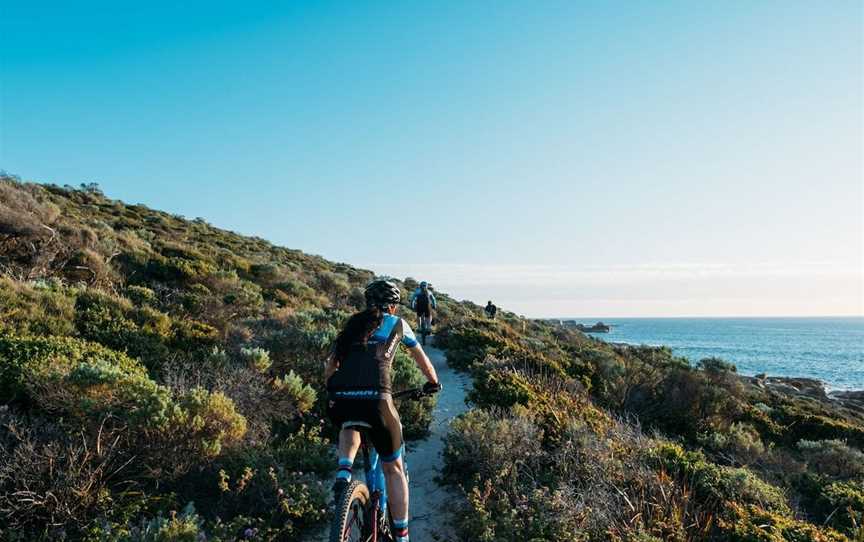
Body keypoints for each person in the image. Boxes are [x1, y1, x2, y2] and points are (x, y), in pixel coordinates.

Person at [324, 279, 441, 542]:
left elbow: (330, 366)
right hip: (378, 401)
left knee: (349, 422)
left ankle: (344, 472)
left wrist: (334, 388)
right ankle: (401, 535)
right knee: (394, 469)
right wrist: (433, 383)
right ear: (393, 306)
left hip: (339, 398)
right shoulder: (398, 324)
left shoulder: (352, 324)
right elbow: (423, 361)